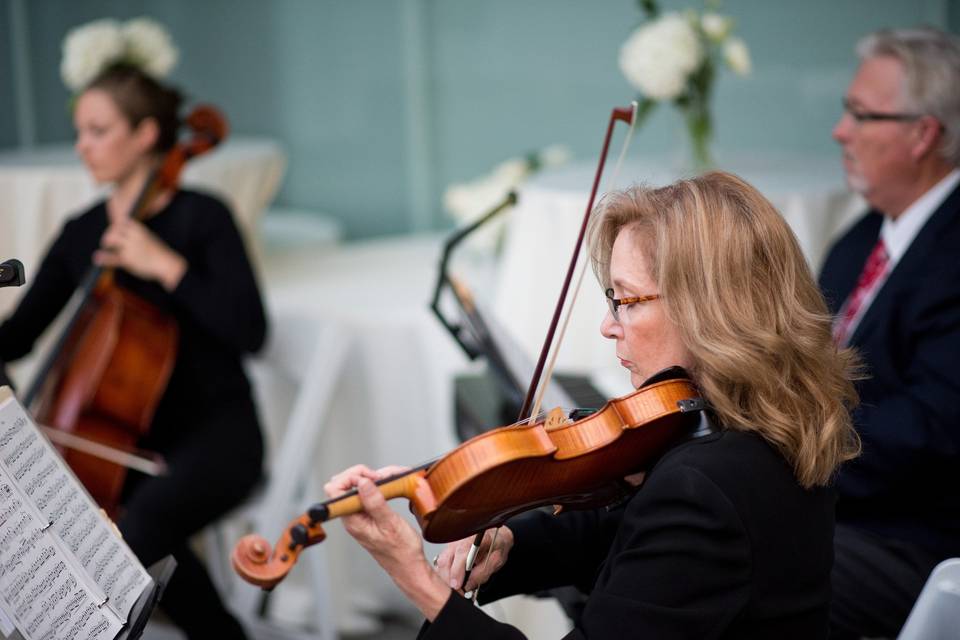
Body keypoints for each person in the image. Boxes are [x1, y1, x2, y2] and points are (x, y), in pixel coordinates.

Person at [324, 171, 860, 639]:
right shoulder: (772, 423)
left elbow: (668, 524)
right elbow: (634, 537)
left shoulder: (704, 486)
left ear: (710, 310)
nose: (609, 326)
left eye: (625, 301)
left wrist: (417, 580)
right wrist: (510, 540)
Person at [0, 63, 266, 639]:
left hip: (219, 435)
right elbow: (18, 337)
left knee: (137, 526)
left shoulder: (203, 218)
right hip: (120, 446)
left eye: (98, 131)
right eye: (80, 132)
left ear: (147, 134)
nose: (82, 146)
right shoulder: (83, 232)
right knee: (83, 528)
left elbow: (251, 331)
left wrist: (165, 266)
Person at [821, 27, 960, 639]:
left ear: (924, 134)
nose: (840, 131)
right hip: (848, 503)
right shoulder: (863, 236)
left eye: (861, 114)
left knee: (716, 561)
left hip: (915, 537)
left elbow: (930, 430)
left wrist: (790, 443)